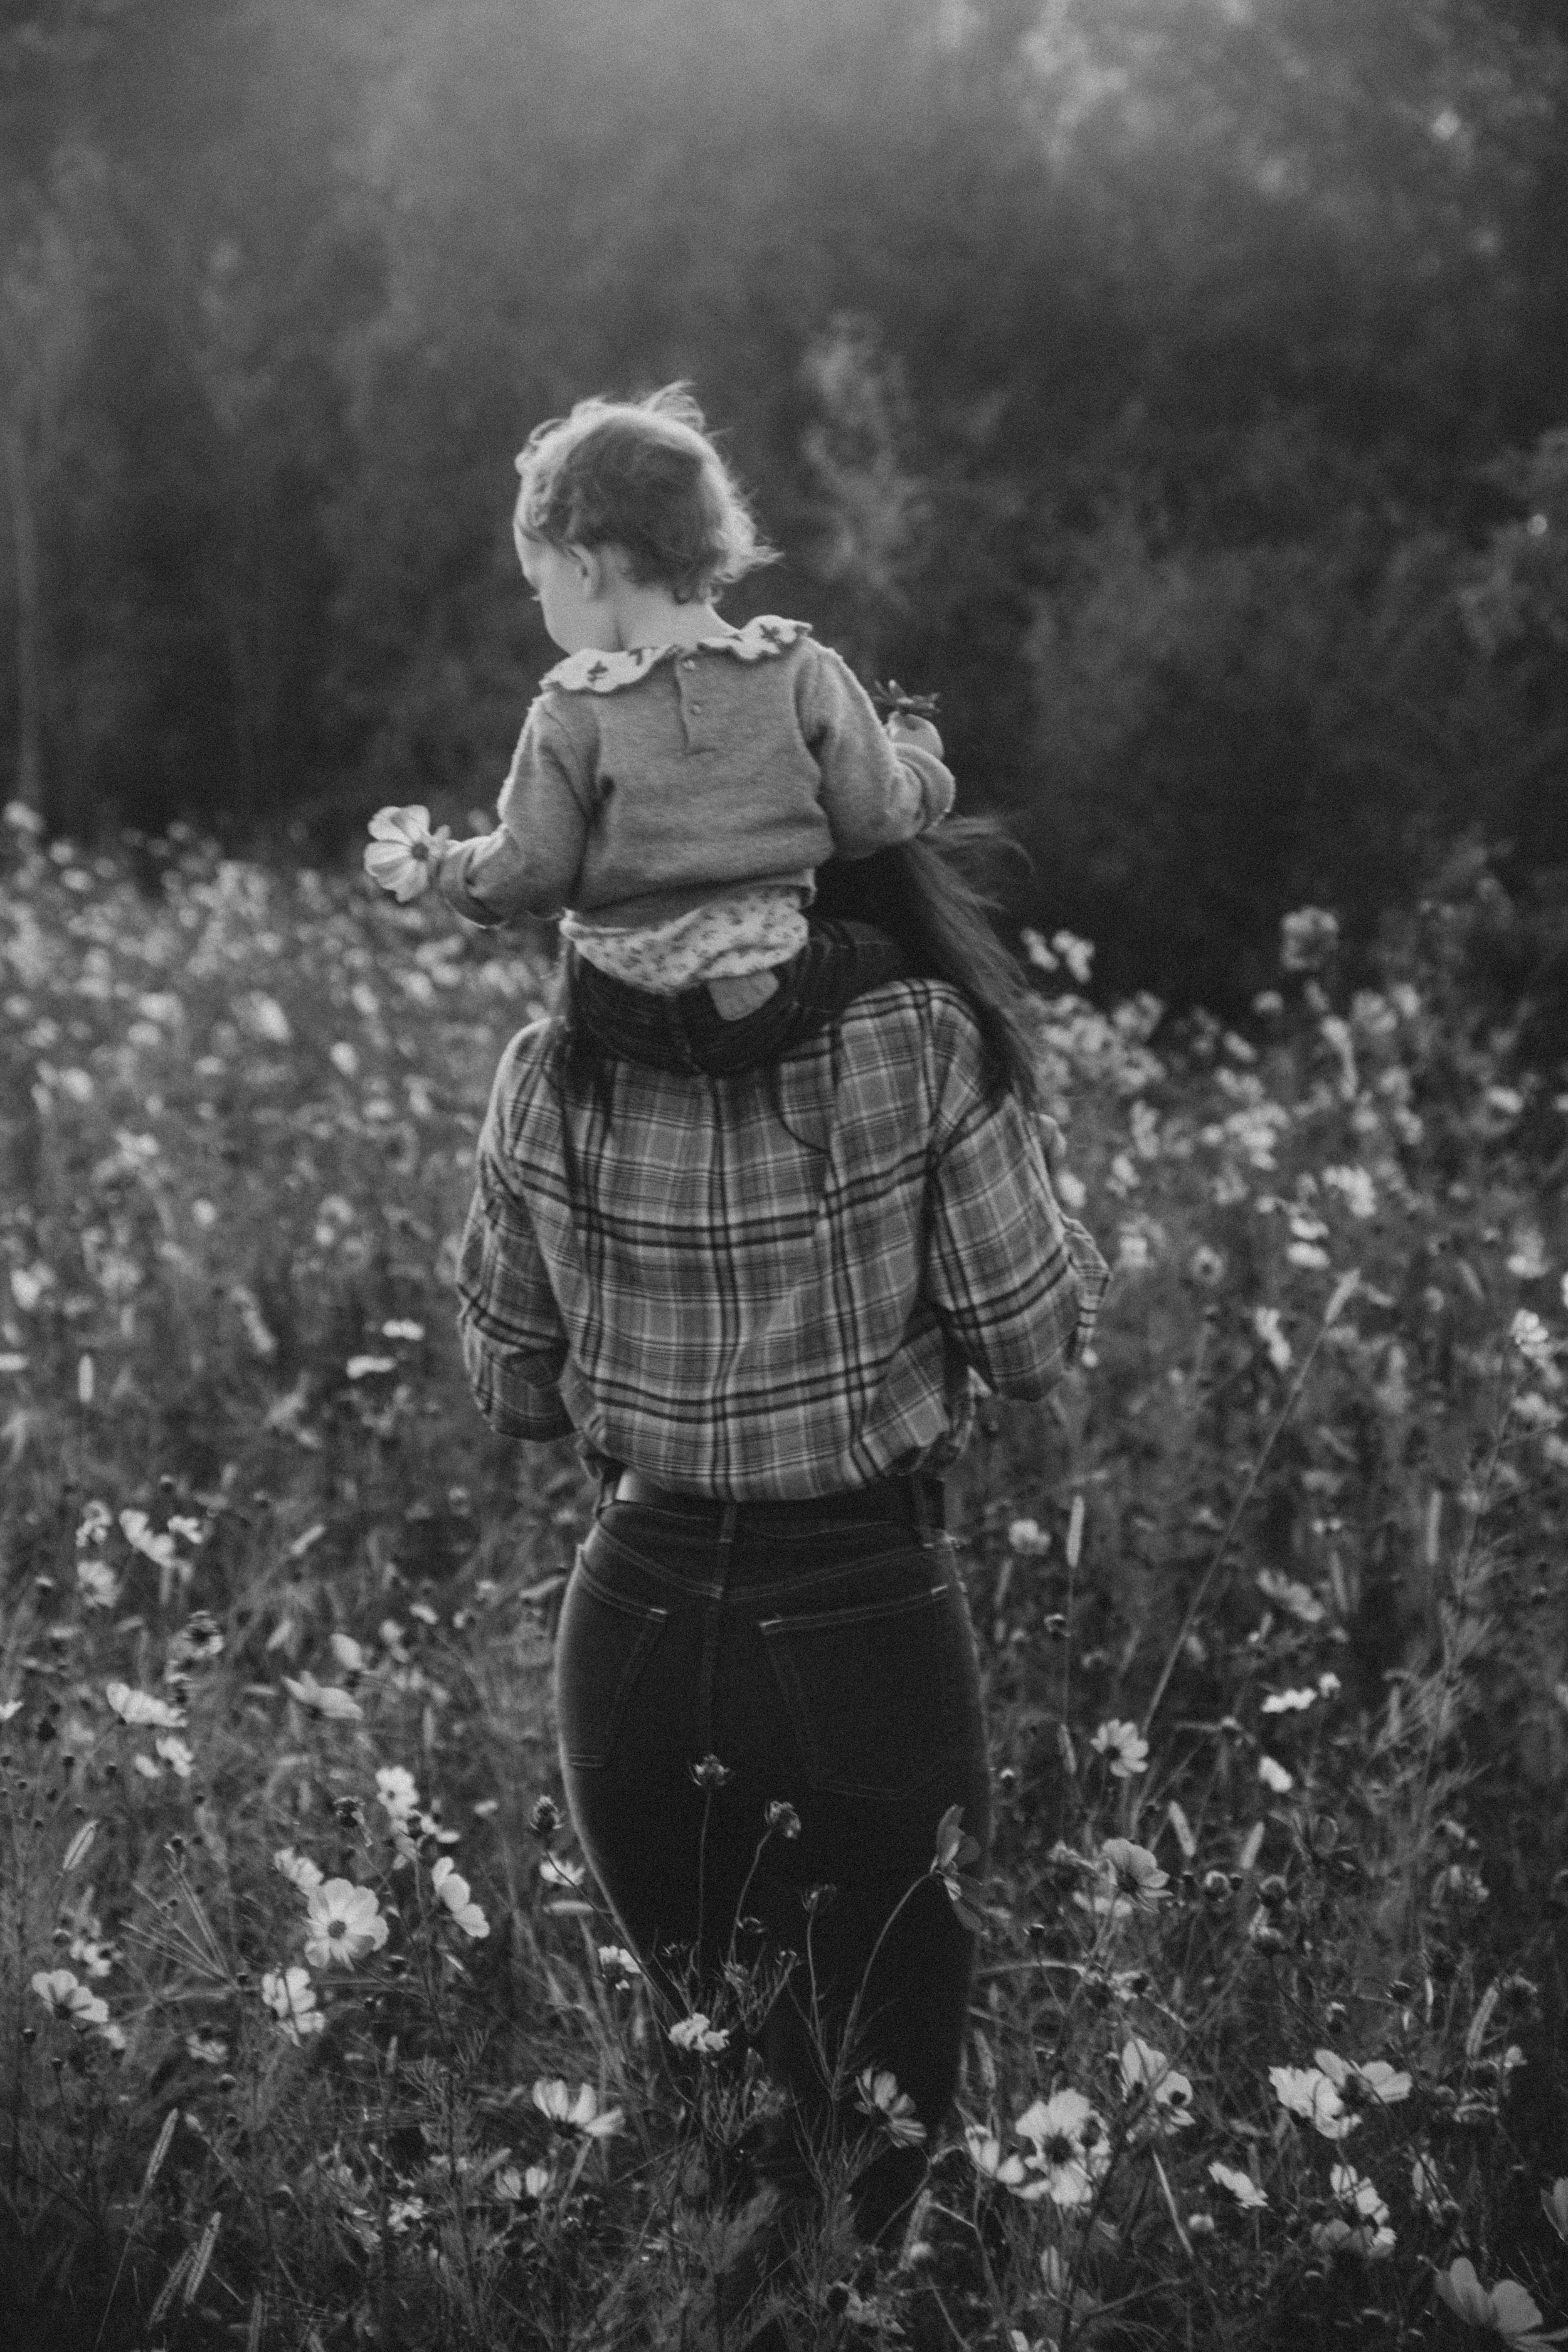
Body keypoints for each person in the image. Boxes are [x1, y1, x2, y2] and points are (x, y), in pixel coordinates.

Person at [454, 816, 1110, 2327]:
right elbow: (1030, 1341)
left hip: (634, 1614)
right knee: (878, 2139)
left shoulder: (546, 1067)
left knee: (724, 2117)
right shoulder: (921, 1039)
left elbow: (514, 1385)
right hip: (860, 1614)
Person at [363, 382, 955, 1065]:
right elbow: (871, 819)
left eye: (537, 583)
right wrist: (917, 763)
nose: (539, 602)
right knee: (895, 954)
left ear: (583, 569)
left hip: (615, 1011)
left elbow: (534, 869)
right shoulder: (798, 669)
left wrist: (453, 869)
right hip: (763, 995)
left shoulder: (571, 709)